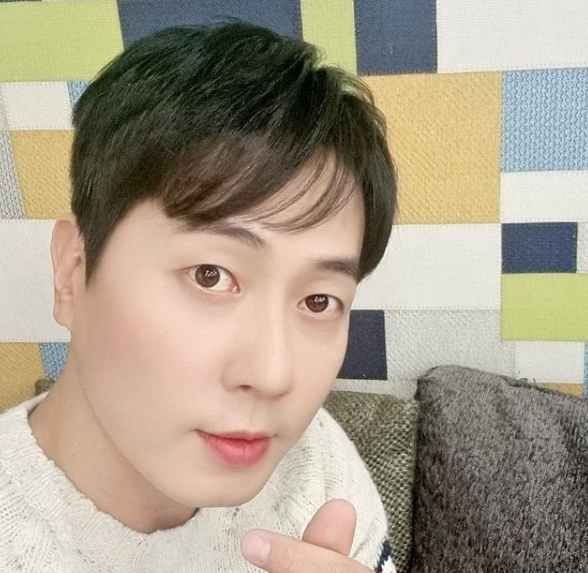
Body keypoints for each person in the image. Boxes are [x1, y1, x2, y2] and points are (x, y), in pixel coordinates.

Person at [0, 22, 397, 573]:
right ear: (72, 271)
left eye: (318, 301)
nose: (273, 375)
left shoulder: (317, 468)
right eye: (210, 275)